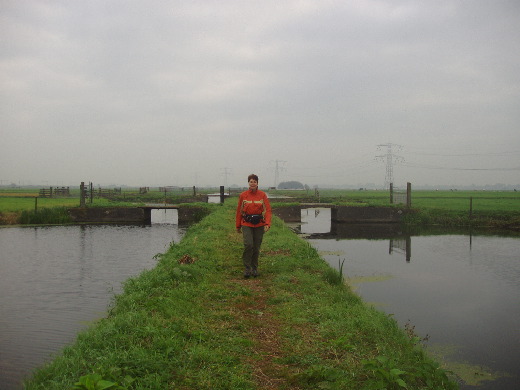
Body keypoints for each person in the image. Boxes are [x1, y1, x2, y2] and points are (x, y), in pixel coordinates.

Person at [236, 174, 272, 278]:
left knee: (256, 247)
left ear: (257, 183)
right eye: (251, 181)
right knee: (249, 245)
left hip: (259, 224)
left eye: (254, 182)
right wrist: (238, 225)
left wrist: (267, 223)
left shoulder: (262, 195)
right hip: (246, 223)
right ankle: (247, 268)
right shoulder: (243, 195)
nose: (253, 183)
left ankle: (254, 268)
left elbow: (268, 210)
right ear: (248, 183)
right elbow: (239, 211)